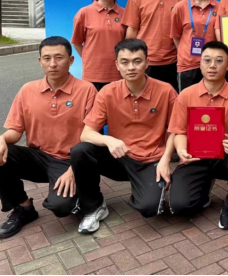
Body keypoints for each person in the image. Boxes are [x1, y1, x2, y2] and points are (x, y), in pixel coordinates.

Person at [0, 37, 97, 238]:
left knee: (61, 207)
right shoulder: (27, 90)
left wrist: (74, 169)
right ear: (40, 61)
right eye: (47, 58)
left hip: (68, 161)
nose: (52, 64)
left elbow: (92, 136)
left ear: (71, 60)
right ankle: (24, 208)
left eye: (59, 57)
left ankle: (87, 196)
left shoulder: (86, 90)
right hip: (38, 157)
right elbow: (15, 132)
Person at [70, 39, 177, 234]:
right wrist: (108, 140)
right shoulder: (108, 92)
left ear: (147, 62)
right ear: (117, 65)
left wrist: (166, 160)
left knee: (149, 208)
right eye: (125, 62)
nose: (131, 67)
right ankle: (94, 207)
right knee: (80, 151)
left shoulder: (166, 90)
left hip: (150, 160)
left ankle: (146, 189)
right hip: (119, 158)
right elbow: (86, 133)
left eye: (137, 61)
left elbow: (175, 130)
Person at [169, 41, 228, 230]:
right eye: (207, 60)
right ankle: (203, 188)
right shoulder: (186, 95)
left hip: (226, 156)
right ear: (200, 64)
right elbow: (179, 131)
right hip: (195, 157)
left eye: (219, 60)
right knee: (181, 206)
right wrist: (181, 149)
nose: (212, 65)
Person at [123, 0, 185, 92]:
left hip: (173, 61)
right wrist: (131, 58)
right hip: (144, 62)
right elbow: (132, 30)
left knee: (171, 98)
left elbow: (182, 31)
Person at [71, 0, 127, 91]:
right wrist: (88, 58)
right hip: (93, 74)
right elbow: (76, 42)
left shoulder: (125, 13)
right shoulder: (84, 13)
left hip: (118, 72)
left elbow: (128, 43)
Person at [171, 0, 220, 92]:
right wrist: (186, 53)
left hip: (212, 65)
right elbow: (176, 36)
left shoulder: (219, 7)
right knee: (187, 102)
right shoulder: (180, 7)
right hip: (187, 65)